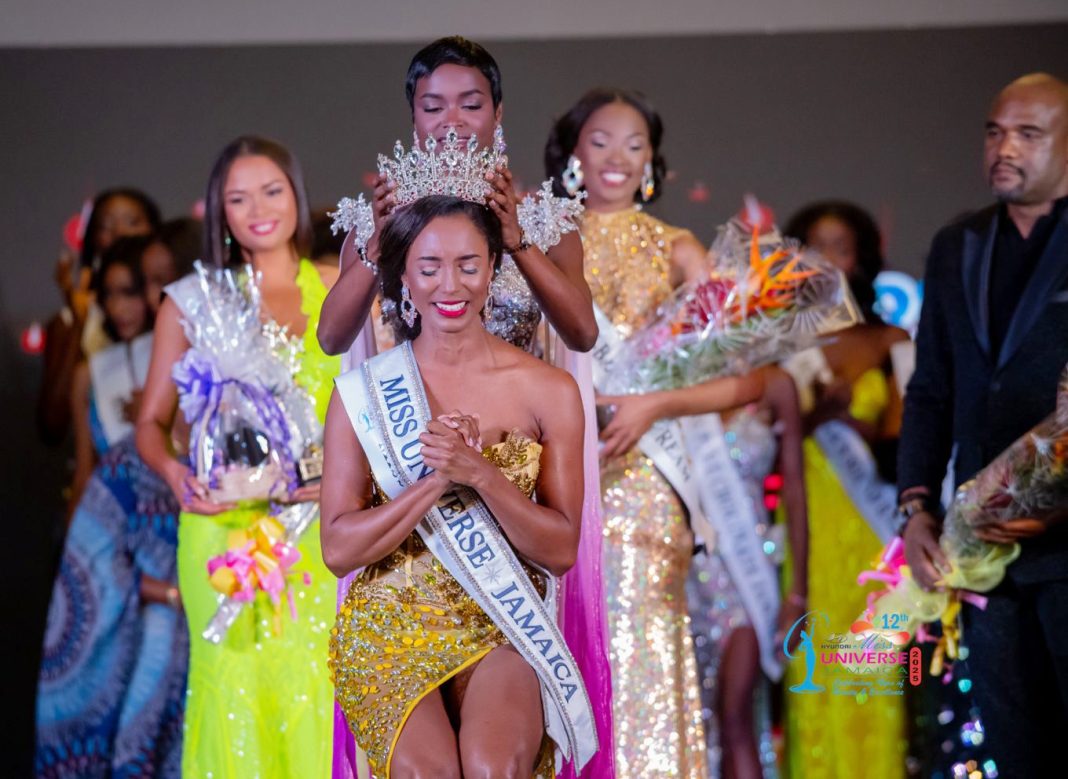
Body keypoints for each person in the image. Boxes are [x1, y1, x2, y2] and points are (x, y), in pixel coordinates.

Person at [322, 195, 593, 778]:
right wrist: (437, 480)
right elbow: (338, 550)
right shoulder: (364, 394)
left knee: (494, 769)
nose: (452, 284)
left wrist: (481, 474)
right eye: (429, 267)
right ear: (403, 278)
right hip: (390, 623)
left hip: (501, 620)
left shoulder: (548, 390)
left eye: (469, 265)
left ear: (494, 267)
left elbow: (561, 550)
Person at [545, 87, 764, 777]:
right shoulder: (540, 238)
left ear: (652, 161)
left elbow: (746, 378)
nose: (616, 158)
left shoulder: (678, 248)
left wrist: (654, 406)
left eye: (634, 144)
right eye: (600, 141)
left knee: (639, 649)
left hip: (643, 480)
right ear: (573, 152)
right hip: (555, 476)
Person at [136, 136, 340, 778]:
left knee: (318, 691)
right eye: (238, 196)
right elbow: (151, 423)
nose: (259, 208)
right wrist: (174, 472)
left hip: (320, 532)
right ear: (218, 210)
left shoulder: (340, 288)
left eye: (272, 190)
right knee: (234, 696)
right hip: (224, 535)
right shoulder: (193, 302)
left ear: (296, 196)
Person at [900, 72, 1068, 777]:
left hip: (1066, 546)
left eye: (1028, 134)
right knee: (1014, 745)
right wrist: (915, 507)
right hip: (983, 551)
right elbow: (931, 389)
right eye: (995, 131)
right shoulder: (956, 244)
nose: (1005, 147)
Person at [316, 35, 597, 357]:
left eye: (471, 105)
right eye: (434, 107)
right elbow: (330, 340)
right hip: (415, 404)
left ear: (498, 112)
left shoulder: (545, 224)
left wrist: (518, 241)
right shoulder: (378, 223)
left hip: (515, 403)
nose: (452, 123)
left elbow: (583, 335)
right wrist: (380, 240)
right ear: (414, 117)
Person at [36, 234, 187, 778]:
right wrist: (86, 565)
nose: (134, 304)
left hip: (202, 557)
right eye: (117, 293)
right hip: (122, 553)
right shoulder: (92, 375)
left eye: (145, 286)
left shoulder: (187, 356)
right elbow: (84, 473)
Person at [779, 200, 908, 779]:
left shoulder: (890, 340)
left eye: (841, 246)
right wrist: (809, 418)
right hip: (805, 529)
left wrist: (855, 422)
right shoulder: (778, 343)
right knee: (813, 674)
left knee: (872, 673)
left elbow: (911, 441)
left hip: (873, 533)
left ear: (861, 260)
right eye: (814, 246)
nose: (827, 259)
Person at [685, 365, 808, 778]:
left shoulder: (775, 384)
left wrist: (798, 595)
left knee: (735, 710)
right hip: (688, 573)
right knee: (697, 716)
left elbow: (795, 492)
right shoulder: (679, 372)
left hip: (748, 572)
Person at [38, 188, 161, 446]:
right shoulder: (70, 321)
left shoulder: (179, 309)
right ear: (93, 239)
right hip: (104, 472)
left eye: (132, 221)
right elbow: (52, 428)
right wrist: (79, 325)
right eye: (106, 225)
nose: (120, 233)